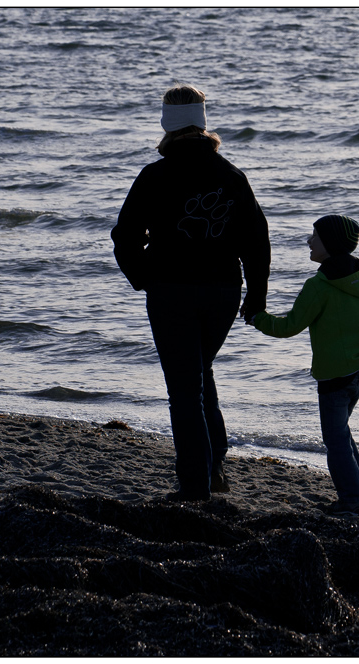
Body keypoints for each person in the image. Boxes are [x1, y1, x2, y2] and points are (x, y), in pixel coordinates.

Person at [111, 84, 271, 501]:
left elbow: (124, 237)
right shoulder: (231, 175)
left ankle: (194, 486)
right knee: (200, 374)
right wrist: (256, 297)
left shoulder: (154, 175)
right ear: (204, 122)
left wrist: (144, 277)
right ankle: (215, 465)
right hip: (222, 291)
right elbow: (257, 241)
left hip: (171, 291)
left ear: (166, 124)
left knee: (184, 389)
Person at [246, 214, 359, 516]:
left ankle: (353, 499)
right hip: (358, 375)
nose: (308, 241)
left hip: (333, 377)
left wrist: (256, 318)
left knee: (335, 439)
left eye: (314, 236)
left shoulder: (319, 286)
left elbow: (289, 326)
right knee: (340, 433)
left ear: (329, 244)